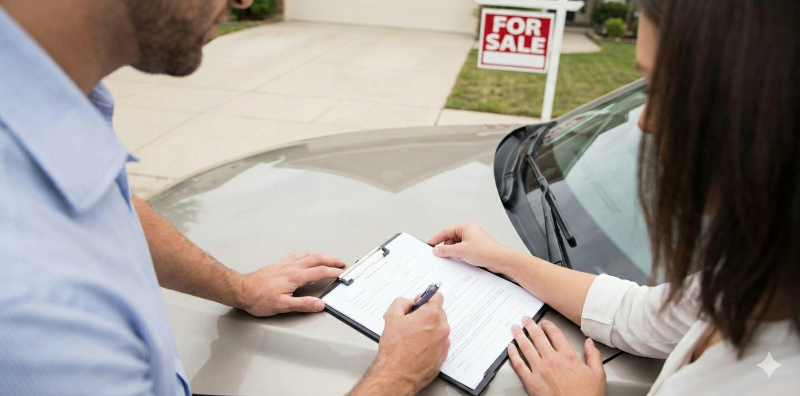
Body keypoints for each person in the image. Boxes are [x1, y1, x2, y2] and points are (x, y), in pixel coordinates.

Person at [0, 1, 449, 395]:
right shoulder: (29, 302)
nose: (244, 0)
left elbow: (108, 203)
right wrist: (397, 376)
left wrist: (238, 288)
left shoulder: (41, 118)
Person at [428, 0, 799, 395]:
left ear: (758, 113)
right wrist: (501, 258)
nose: (644, 121)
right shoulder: (761, 270)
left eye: (664, 92)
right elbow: (639, 316)